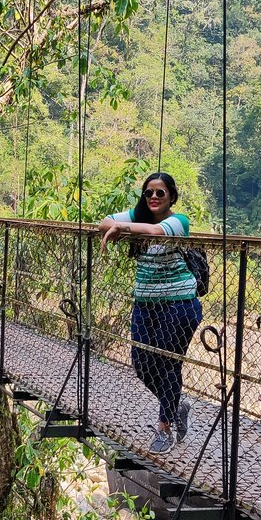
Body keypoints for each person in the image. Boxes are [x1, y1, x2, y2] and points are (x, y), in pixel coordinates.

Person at [98, 172, 202, 455]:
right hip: (145, 305)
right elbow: (103, 222)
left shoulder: (178, 221)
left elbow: (156, 232)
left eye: (160, 193)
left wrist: (125, 229)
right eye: (148, 193)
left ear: (171, 196)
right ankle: (177, 406)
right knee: (142, 364)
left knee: (167, 364)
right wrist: (120, 225)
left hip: (179, 305)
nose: (154, 197)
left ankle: (164, 428)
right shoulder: (137, 215)